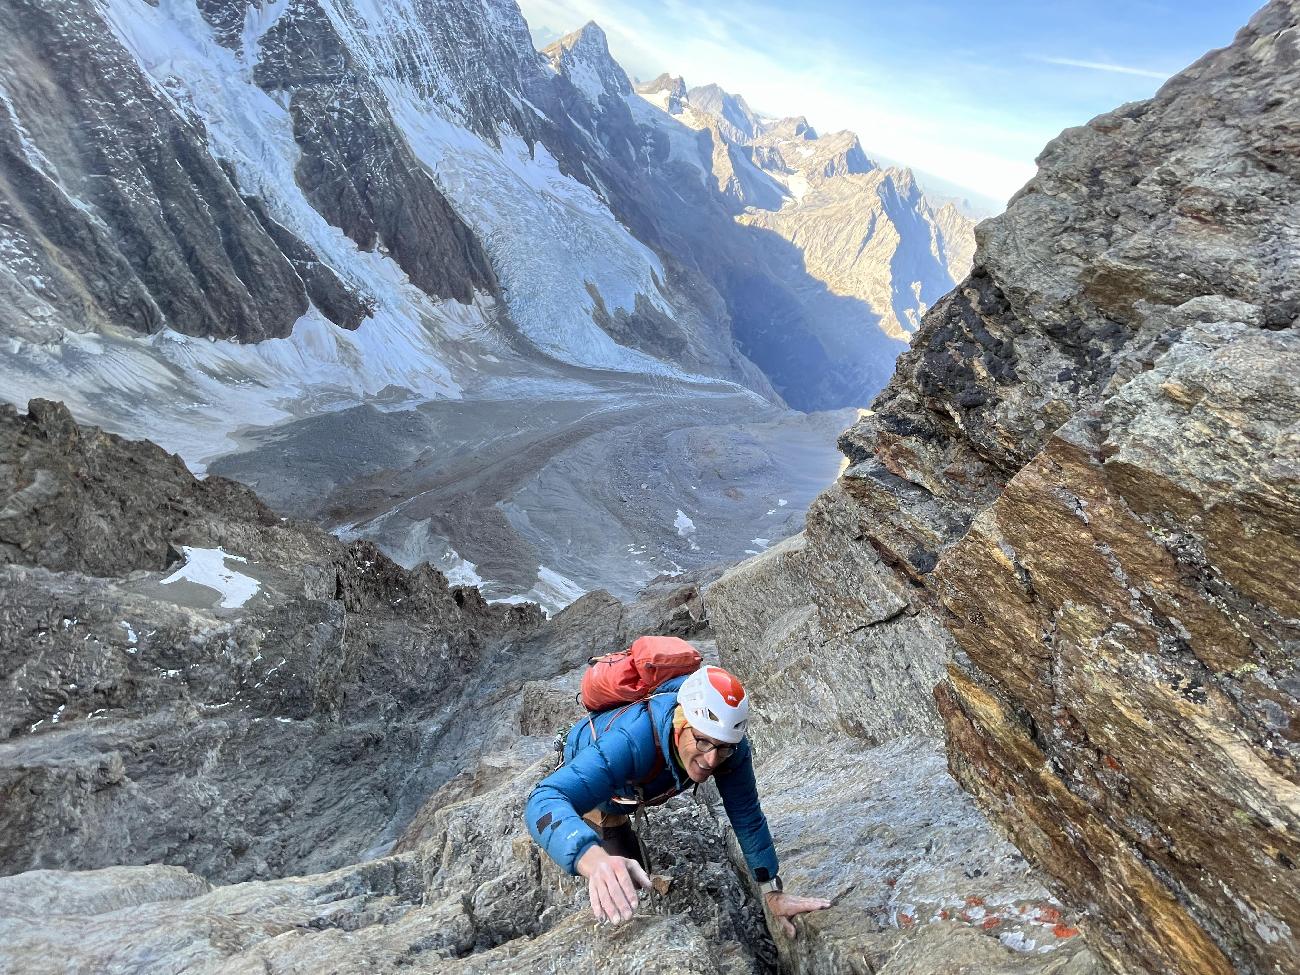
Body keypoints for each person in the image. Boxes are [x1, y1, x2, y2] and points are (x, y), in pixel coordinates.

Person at [525, 664, 830, 936]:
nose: (711, 759)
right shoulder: (631, 740)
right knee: (626, 885)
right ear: (679, 724)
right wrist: (592, 860)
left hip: (634, 784)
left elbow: (747, 815)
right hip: (599, 780)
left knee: (632, 876)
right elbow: (545, 799)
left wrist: (772, 892)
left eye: (721, 748)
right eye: (702, 741)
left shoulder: (730, 749)